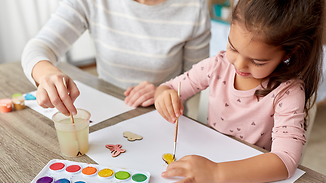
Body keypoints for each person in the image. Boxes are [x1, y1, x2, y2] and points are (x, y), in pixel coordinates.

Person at [154, 0, 324, 183]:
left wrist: (215, 173)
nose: (239, 65)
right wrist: (164, 96)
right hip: (208, 164)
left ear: (287, 54)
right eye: (233, 48)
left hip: (250, 180)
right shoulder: (217, 65)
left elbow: (286, 161)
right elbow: (168, 88)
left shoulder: (288, 92)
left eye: (257, 62)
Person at [21, 0, 210, 116]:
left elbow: (197, 78)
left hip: (160, 116)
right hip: (106, 110)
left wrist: (164, 91)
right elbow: (38, 47)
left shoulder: (194, 7)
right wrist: (47, 72)